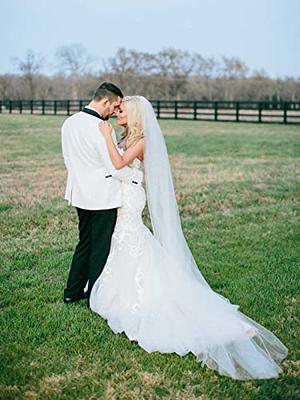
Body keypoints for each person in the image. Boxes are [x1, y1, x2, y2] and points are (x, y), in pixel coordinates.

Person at [89, 95, 288, 380]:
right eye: (116, 109)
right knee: (125, 241)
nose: (117, 112)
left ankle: (219, 325)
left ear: (134, 115)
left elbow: (120, 163)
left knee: (130, 237)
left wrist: (107, 136)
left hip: (131, 198)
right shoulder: (127, 135)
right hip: (122, 196)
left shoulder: (142, 141)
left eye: (122, 110)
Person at [61, 82, 143, 305]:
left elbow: (68, 160)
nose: (115, 111)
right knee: (100, 247)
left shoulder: (69, 123)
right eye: (115, 106)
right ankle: (94, 297)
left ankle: (72, 291)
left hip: (79, 194)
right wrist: (137, 179)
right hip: (102, 196)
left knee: (84, 242)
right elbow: (113, 166)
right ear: (105, 101)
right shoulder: (99, 127)